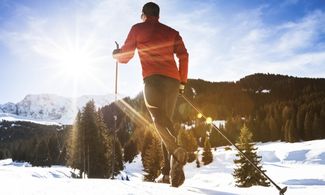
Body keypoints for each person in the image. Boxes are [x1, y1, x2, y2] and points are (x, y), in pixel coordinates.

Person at [112, 2, 189, 187]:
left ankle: (177, 151)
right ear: (158, 15)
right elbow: (184, 55)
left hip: (153, 80)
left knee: (157, 119)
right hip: (172, 82)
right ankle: (167, 174)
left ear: (143, 15)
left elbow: (126, 56)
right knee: (166, 124)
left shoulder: (138, 28)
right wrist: (182, 82)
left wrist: (116, 54)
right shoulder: (172, 32)